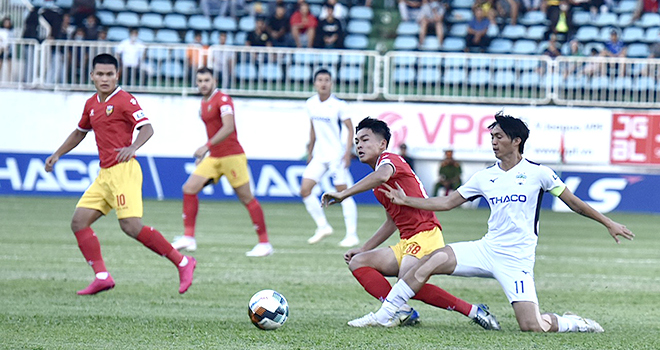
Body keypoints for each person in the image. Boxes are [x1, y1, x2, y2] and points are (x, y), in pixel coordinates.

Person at [350, 112, 634, 332]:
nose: (493, 142)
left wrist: (607, 222)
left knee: (532, 326)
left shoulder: (540, 173)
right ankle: (385, 315)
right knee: (432, 259)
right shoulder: (486, 176)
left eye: (498, 136)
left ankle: (576, 323)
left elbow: (574, 203)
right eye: (492, 137)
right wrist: (407, 201)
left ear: (516, 140)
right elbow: (448, 203)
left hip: (517, 259)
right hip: (486, 249)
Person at [321, 117, 501, 330]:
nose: (359, 145)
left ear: (382, 144)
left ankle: (473, 311)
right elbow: (392, 222)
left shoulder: (389, 161)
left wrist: (344, 194)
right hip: (407, 241)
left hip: (425, 234)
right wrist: (363, 248)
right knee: (359, 262)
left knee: (407, 282)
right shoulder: (378, 186)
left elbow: (382, 175)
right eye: (357, 141)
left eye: (365, 139)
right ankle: (402, 309)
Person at [44, 53, 197, 295]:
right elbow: (79, 132)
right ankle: (102, 276)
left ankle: (183, 262)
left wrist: (133, 147)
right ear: (92, 76)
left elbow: (147, 127)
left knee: (131, 226)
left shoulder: (125, 100)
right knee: (78, 222)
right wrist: (57, 154)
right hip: (105, 175)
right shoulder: (92, 104)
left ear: (118, 75)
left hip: (125, 171)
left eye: (109, 74)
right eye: (100, 74)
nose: (105, 79)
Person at [171, 67, 273, 257]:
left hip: (232, 156)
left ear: (214, 81)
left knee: (246, 198)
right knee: (189, 188)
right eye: (200, 80)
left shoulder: (223, 100)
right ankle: (189, 237)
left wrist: (205, 146)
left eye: (206, 80)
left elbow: (228, 127)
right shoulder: (203, 103)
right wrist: (206, 153)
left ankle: (264, 243)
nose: (203, 84)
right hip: (214, 157)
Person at [301, 69, 359, 248]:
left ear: (331, 83)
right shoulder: (311, 103)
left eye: (327, 80)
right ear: (315, 83)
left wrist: (347, 152)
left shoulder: (339, 105)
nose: (323, 83)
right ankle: (323, 226)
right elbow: (313, 129)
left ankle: (352, 234)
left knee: (343, 193)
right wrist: (310, 151)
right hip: (319, 155)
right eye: (320, 79)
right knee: (305, 190)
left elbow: (350, 128)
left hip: (336, 156)